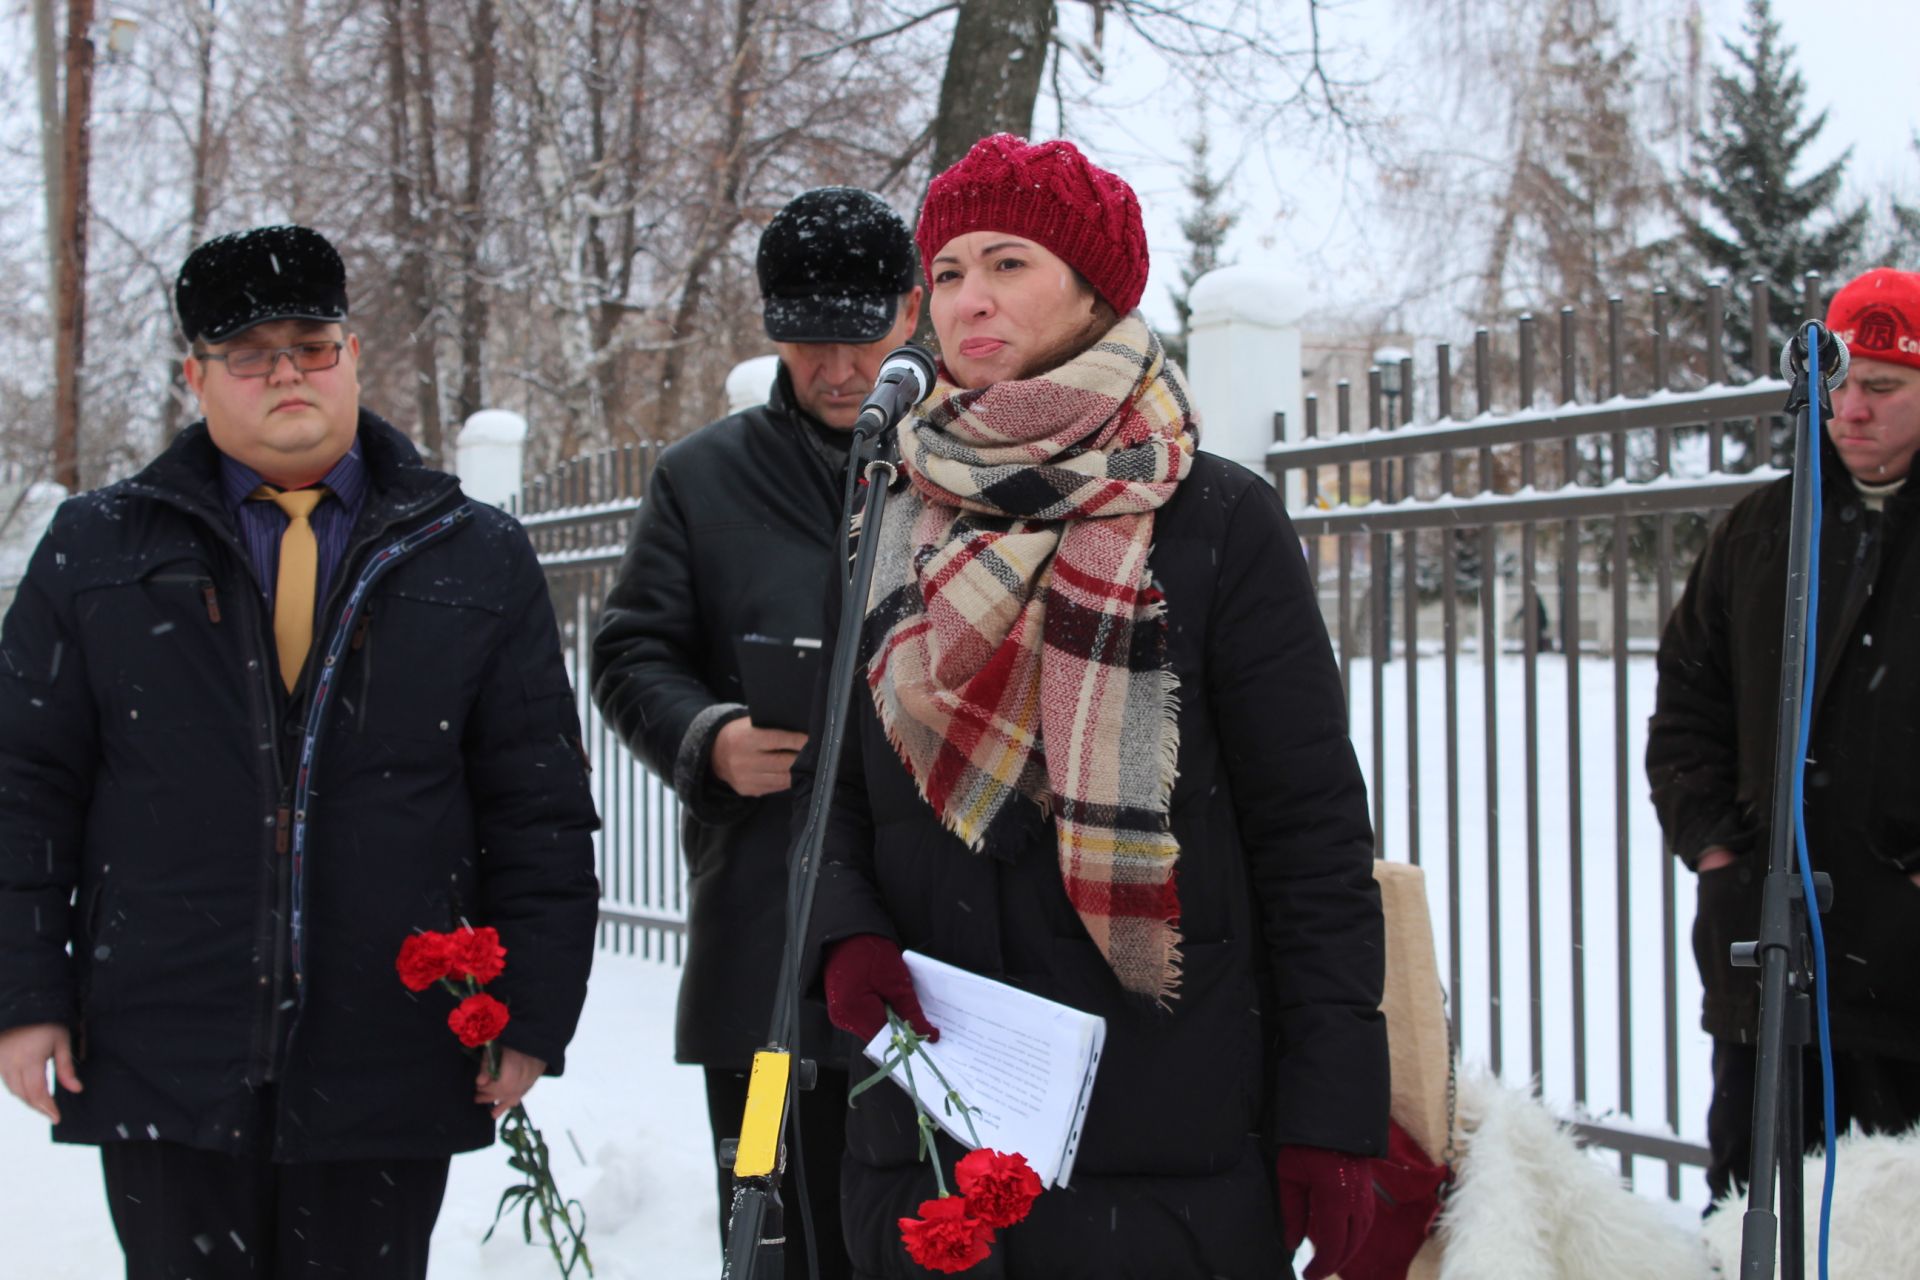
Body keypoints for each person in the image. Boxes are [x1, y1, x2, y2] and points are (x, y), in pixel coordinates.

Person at [797, 134, 1389, 1279]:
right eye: (951, 268)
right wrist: (846, 928)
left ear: (1095, 287)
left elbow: (1309, 832)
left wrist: (1331, 1104)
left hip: (1162, 1125)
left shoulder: (1217, 520)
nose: (968, 298)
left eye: (1008, 262)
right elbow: (836, 790)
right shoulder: (887, 509)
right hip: (937, 1112)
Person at [0, 225, 601, 1278]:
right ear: (196, 375)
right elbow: (23, 786)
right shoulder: (99, 550)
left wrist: (534, 1011)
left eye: (311, 344)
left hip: (391, 1046)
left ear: (353, 355)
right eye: (247, 351)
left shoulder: (471, 552)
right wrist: (23, 996)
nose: (286, 371)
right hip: (163, 1041)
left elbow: (536, 803)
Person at [590, 186, 923, 1276]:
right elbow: (631, 650)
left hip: (931, 951)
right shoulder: (704, 476)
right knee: (768, 1214)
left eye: (861, 335)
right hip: (765, 949)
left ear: (912, 311)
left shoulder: (971, 463)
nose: (837, 368)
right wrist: (708, 736)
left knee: (921, 1228)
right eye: (806, 339)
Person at [1649, 267, 1920, 1206]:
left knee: (1894, 1232)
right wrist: (1719, 851)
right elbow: (1686, 705)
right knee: (1757, 1220)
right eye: (1839, 383)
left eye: (1882, 388)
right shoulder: (1764, 529)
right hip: (1768, 968)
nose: (1852, 409)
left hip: (1908, 980)